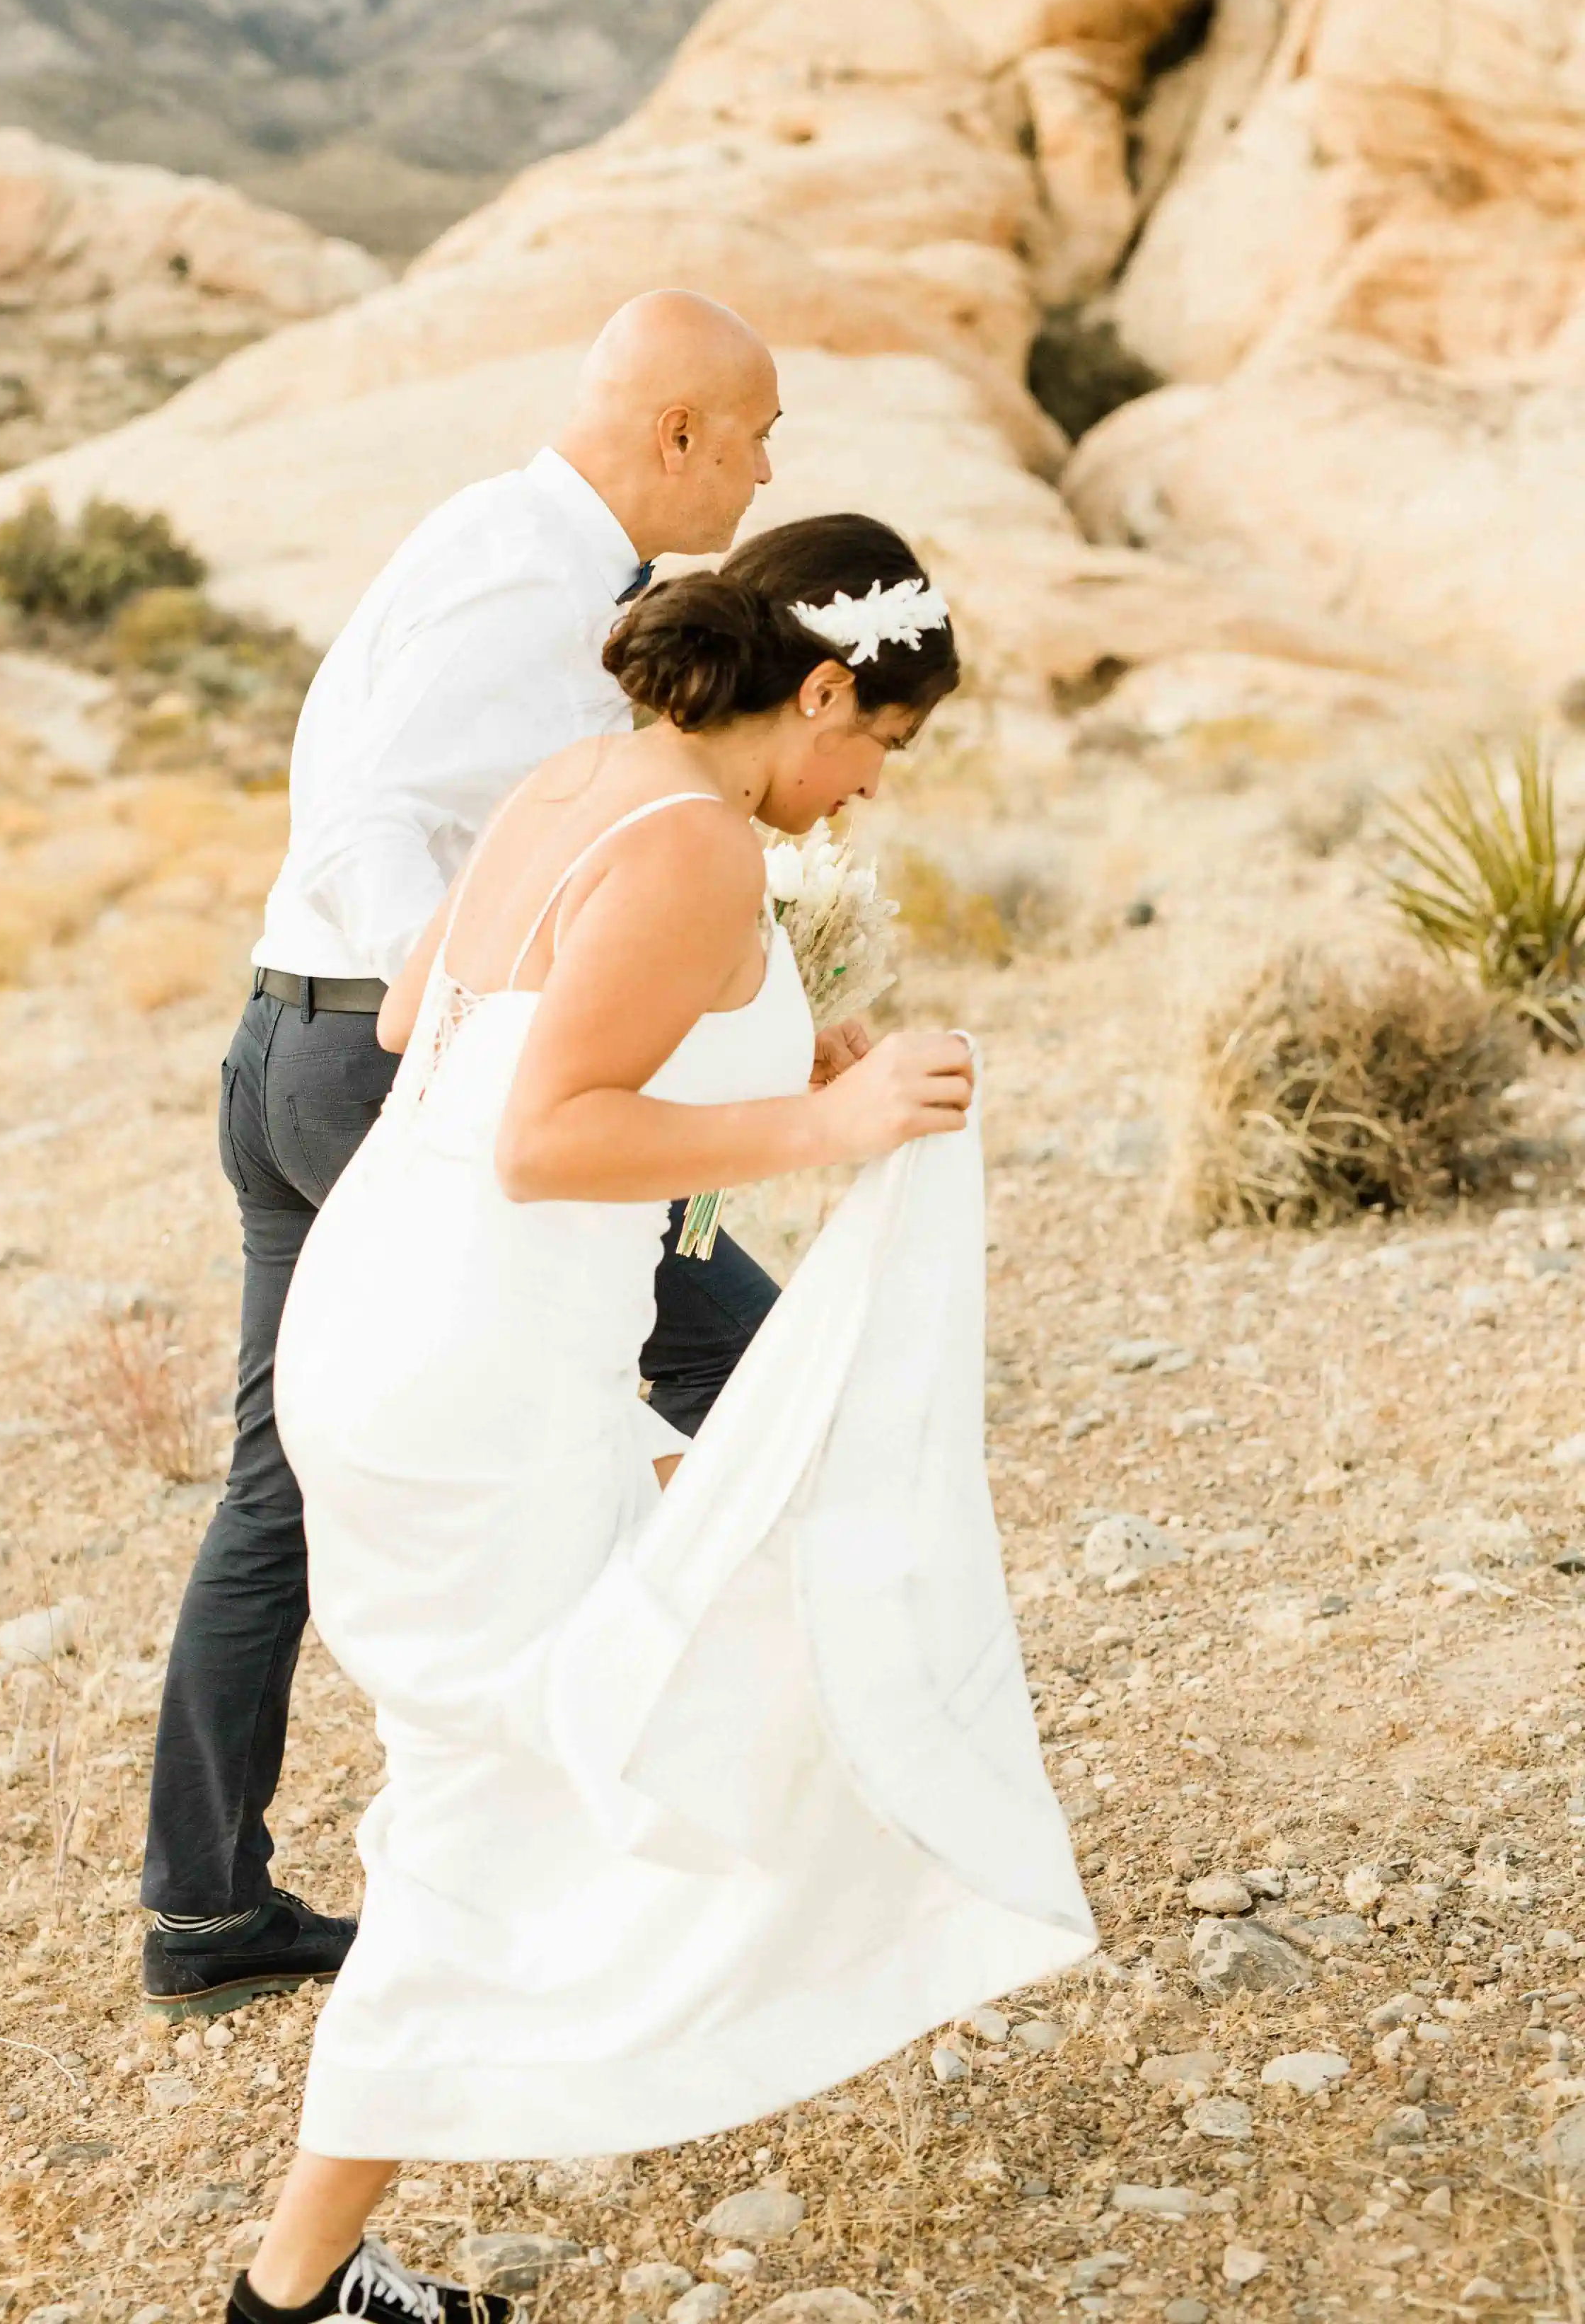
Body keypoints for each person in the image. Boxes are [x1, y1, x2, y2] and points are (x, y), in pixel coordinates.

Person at [224, 517, 1094, 2324]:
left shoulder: (578, 781)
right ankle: (292, 2286)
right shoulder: (694, 845)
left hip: (391, 1319)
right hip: (476, 1367)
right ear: (825, 684)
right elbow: (550, 1137)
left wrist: (781, 1057)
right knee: (493, 1790)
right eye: (875, 745)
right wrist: (824, 1131)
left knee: (664, 1637)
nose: (859, 794)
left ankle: (654, 1996)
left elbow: (422, 1025)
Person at [140, 293, 832, 2016]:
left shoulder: (523, 546)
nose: (766, 467)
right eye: (753, 433)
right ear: (676, 433)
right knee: (768, 1371)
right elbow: (370, 812)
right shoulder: (527, 582)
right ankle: (711, 1837)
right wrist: (462, 1016)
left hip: (293, 1046)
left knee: (278, 1491)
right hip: (377, 1067)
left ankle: (208, 1913)